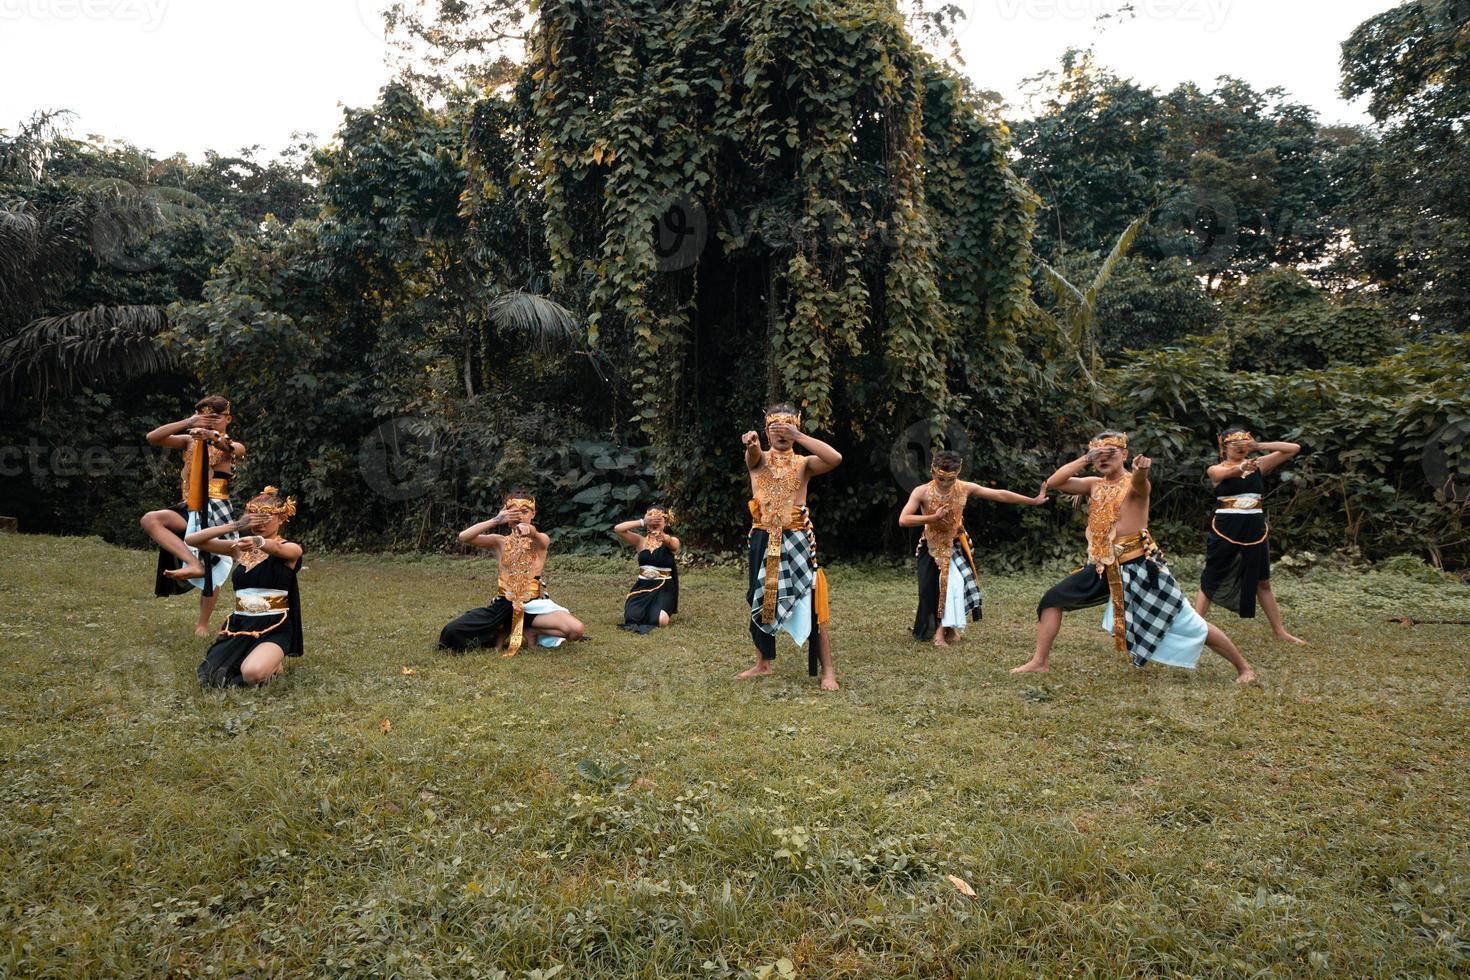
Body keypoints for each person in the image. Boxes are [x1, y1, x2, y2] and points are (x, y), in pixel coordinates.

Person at [1011, 432, 1256, 683]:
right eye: (1099, 455)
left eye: (1111, 453)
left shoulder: (1135, 485)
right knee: (1052, 600)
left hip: (1140, 567)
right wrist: (1086, 458)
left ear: (1125, 455)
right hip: (1103, 566)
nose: (1104, 459)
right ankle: (1039, 662)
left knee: (1186, 620)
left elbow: (1140, 483)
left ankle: (1244, 668)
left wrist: (1140, 470)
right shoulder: (1093, 484)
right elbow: (1055, 481)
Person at [739, 404, 842, 690]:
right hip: (762, 536)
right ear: (766, 429)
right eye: (776, 427)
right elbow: (753, 455)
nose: (782, 432)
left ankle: (828, 671)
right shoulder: (758, 459)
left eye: (788, 427)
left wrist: (800, 436)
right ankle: (763, 663)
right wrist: (752, 444)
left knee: (811, 601)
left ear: (795, 427)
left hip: (795, 537)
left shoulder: (804, 463)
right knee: (757, 597)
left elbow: (835, 458)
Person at [898, 449, 1047, 646]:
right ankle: (942, 629)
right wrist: (932, 518)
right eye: (941, 479)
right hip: (932, 546)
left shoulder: (964, 488)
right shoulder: (922, 491)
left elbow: (999, 494)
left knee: (954, 585)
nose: (945, 484)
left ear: (957, 474)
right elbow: (904, 519)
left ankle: (941, 634)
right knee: (927, 591)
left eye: (949, 480)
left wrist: (1032, 501)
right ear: (933, 472)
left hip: (955, 545)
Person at [140, 395, 245, 636]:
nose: (208, 421)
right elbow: (153, 437)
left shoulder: (232, 445)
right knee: (150, 519)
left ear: (227, 419)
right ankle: (192, 562)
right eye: (203, 416)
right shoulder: (188, 440)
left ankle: (202, 624)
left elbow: (230, 447)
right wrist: (189, 421)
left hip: (215, 509)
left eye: (214, 417)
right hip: (189, 507)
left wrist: (211, 436)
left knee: (216, 563)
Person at [438, 491, 585, 655]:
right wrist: (496, 520)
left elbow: (541, 539)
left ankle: (531, 629)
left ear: (533, 514)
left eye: (524, 511)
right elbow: (464, 536)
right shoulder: (499, 541)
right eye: (513, 511)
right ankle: (504, 626)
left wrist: (532, 531)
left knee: (576, 630)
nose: (519, 516)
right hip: (503, 605)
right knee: (451, 632)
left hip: (532, 606)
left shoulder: (540, 540)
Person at [1195, 427, 1305, 644]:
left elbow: (1293, 448)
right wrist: (1241, 468)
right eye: (1235, 446)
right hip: (1226, 527)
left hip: (1254, 526)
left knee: (1262, 581)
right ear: (1224, 447)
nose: (1240, 449)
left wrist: (1258, 447)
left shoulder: (1258, 464)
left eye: (1244, 446)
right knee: (1212, 577)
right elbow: (1224, 474)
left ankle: (1280, 631)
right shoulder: (1215, 469)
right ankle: (1195, 627)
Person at [186, 487, 303, 687]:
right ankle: (262, 658)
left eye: (266, 517)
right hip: (240, 626)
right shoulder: (239, 549)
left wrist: (259, 541)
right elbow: (193, 540)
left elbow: (277, 548)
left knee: (251, 674)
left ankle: (272, 662)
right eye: (255, 517)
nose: (259, 523)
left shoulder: (290, 549)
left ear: (282, 519)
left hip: (275, 626)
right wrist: (236, 525)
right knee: (213, 676)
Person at [615, 506, 680, 633]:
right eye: (651, 519)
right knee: (631, 618)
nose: (654, 523)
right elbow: (618, 529)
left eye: (658, 520)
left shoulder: (672, 541)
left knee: (660, 621)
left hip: (664, 588)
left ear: (666, 522)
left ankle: (661, 610)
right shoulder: (640, 541)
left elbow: (672, 544)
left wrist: (663, 537)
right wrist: (643, 521)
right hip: (642, 586)